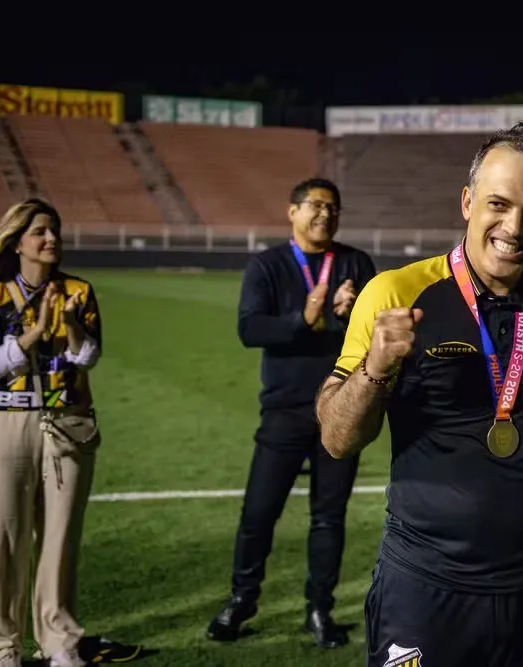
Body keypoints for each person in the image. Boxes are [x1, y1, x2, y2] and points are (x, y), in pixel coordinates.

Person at [315, 122, 523, 667]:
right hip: (426, 588)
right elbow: (336, 437)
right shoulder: (396, 292)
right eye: (499, 204)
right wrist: (375, 369)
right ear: (467, 202)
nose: (514, 228)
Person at [206, 177, 377, 648]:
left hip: (340, 410)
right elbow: (249, 328)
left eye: (333, 207)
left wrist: (349, 312)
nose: (325, 214)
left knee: (329, 517)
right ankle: (242, 599)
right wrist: (303, 318)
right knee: (259, 513)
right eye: (316, 205)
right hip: (284, 409)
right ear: (293, 212)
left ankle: (319, 609)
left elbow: (373, 331)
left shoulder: (356, 263)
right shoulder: (266, 265)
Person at [0, 199, 102, 667]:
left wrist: (68, 324)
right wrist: (33, 334)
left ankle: (59, 640)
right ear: (16, 242)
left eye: (54, 230)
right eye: (40, 231)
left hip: (67, 422)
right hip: (1, 421)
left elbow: (88, 357)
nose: (51, 239)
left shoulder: (78, 291)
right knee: (0, 540)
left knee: (59, 537)